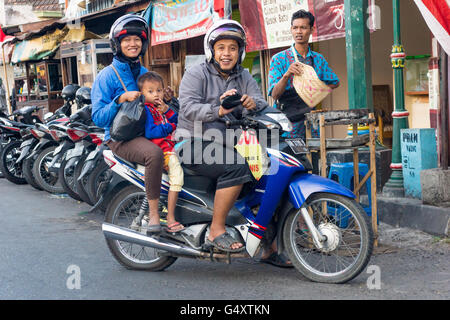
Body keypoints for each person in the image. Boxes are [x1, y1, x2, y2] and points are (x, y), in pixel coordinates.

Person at [176, 19, 267, 252]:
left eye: (233, 48)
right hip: (192, 141)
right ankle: (216, 229)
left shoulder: (243, 76)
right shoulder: (196, 74)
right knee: (236, 166)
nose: (227, 54)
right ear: (212, 50)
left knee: (266, 167)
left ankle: (265, 237)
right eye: (221, 48)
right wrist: (218, 109)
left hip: (230, 140)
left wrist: (250, 103)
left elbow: (259, 101)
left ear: (240, 52)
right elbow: (187, 107)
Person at [91, 14, 166, 234]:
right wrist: (119, 100)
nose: (133, 44)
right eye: (127, 40)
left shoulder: (145, 73)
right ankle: (153, 215)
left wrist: (164, 98)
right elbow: (98, 117)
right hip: (120, 139)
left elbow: (154, 105)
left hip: (149, 132)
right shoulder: (106, 76)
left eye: (137, 39)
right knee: (154, 154)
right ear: (117, 44)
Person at [268, 9, 340, 141]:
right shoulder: (279, 59)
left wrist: (316, 88)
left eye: (303, 27)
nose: (298, 32)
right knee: (289, 160)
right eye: (295, 28)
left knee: (313, 158)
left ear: (311, 30)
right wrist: (287, 74)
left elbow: (335, 81)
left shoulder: (318, 59)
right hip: (286, 125)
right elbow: (275, 95)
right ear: (291, 29)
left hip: (310, 123)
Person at [137, 71, 184, 233]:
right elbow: (151, 132)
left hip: (172, 146)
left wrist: (167, 110)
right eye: (150, 91)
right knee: (177, 176)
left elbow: (177, 119)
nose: (156, 94)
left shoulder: (159, 107)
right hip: (163, 150)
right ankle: (170, 217)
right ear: (142, 94)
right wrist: (170, 127)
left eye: (159, 90)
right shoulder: (147, 110)